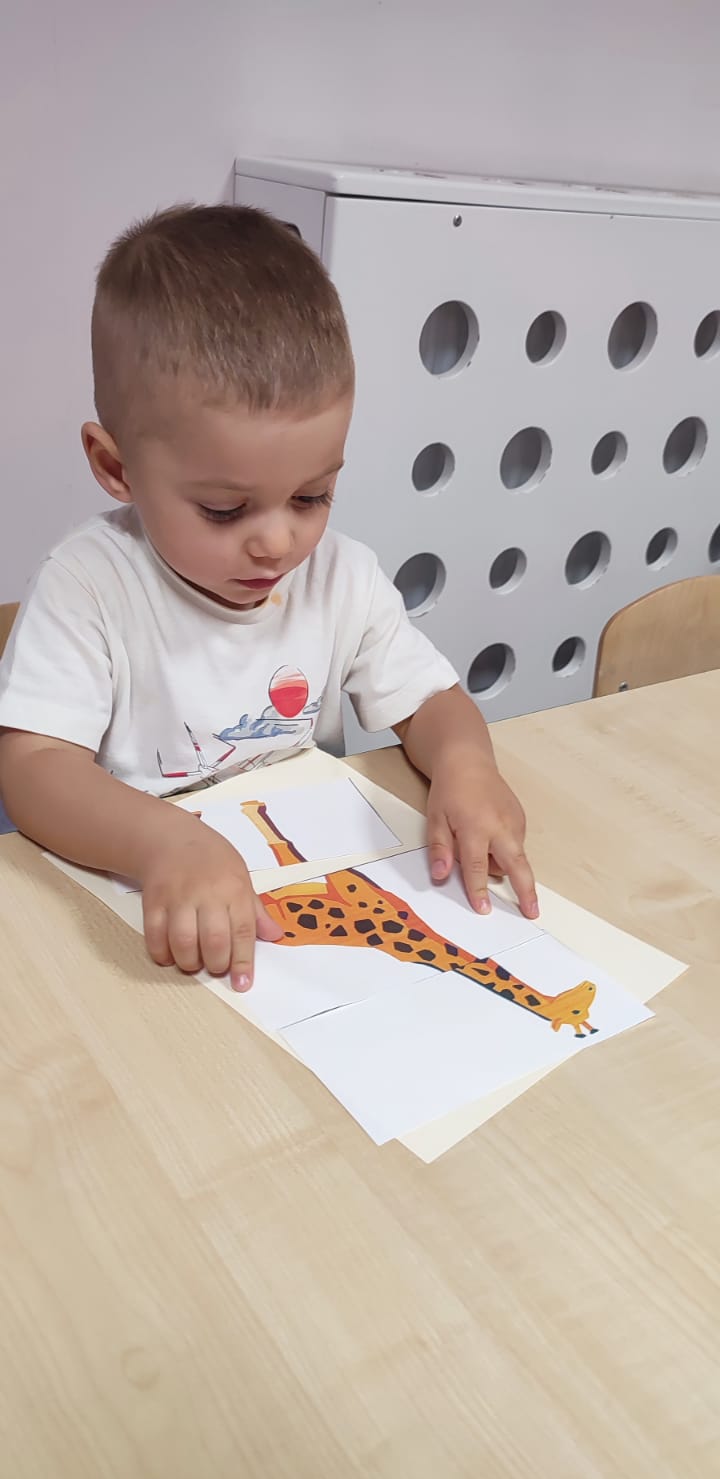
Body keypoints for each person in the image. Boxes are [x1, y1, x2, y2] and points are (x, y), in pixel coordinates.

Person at [0, 204, 537, 993]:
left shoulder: (342, 578)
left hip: (299, 897)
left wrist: (465, 764)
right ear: (116, 468)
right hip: (136, 911)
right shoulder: (89, 584)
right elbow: (33, 769)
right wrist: (162, 843)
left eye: (312, 496)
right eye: (225, 510)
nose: (278, 543)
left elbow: (432, 702)